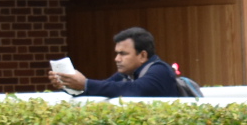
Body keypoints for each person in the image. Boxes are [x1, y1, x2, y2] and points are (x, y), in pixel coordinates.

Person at [48, 27, 178, 97]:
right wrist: (69, 85)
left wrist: (85, 83)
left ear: (142, 55)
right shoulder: (126, 74)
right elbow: (104, 88)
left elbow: (136, 90)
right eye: (117, 53)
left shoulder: (160, 70)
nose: (117, 59)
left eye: (123, 54)